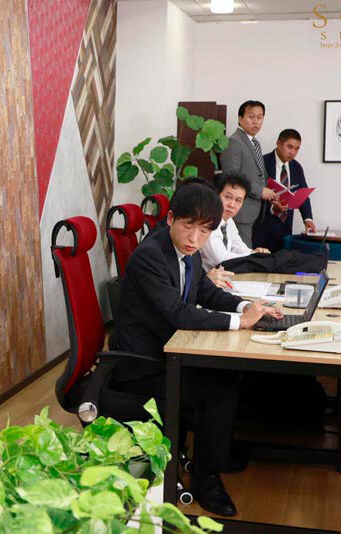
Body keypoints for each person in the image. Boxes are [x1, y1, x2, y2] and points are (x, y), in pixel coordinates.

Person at [110, 182, 282, 517]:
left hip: (168, 351)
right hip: (140, 365)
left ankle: (212, 456)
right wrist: (239, 323)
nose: (194, 238)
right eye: (188, 226)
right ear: (171, 219)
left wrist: (248, 306)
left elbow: (206, 292)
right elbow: (178, 312)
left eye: (204, 231)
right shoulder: (151, 255)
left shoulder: (186, 253)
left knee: (227, 377)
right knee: (219, 390)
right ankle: (206, 478)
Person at [220, 101, 279, 247]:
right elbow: (231, 177)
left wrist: (269, 194)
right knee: (241, 252)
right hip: (240, 212)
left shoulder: (254, 142)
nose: (256, 121)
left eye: (260, 117)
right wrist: (260, 191)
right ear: (240, 119)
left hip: (255, 210)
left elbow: (258, 175)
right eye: (251, 116)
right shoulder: (234, 142)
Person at [252, 129, 317, 252]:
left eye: (297, 149)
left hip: (285, 229)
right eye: (289, 147)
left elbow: (303, 196)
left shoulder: (297, 167)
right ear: (278, 144)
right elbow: (253, 192)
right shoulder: (262, 163)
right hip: (262, 227)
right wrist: (273, 206)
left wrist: (308, 219)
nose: (293, 152)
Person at [201, 174, 270, 287]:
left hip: (224, 279)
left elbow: (239, 247)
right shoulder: (208, 221)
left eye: (238, 200)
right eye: (228, 197)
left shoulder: (229, 221)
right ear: (216, 195)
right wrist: (253, 257)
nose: (232, 205)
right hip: (205, 284)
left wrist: (254, 253)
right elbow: (221, 258)